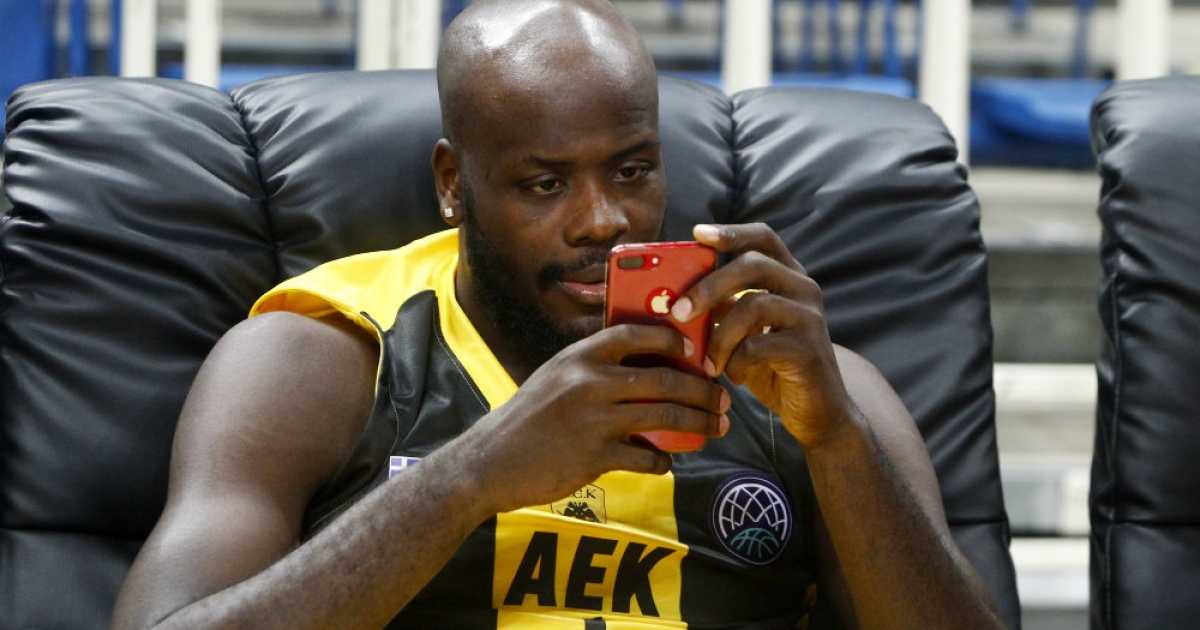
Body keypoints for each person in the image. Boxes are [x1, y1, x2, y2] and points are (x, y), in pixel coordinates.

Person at [110, 1, 1005, 628]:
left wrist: (839, 441)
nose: (603, 221)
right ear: (453, 184)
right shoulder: (322, 353)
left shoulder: (797, 377)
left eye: (632, 170)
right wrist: (468, 480)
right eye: (545, 184)